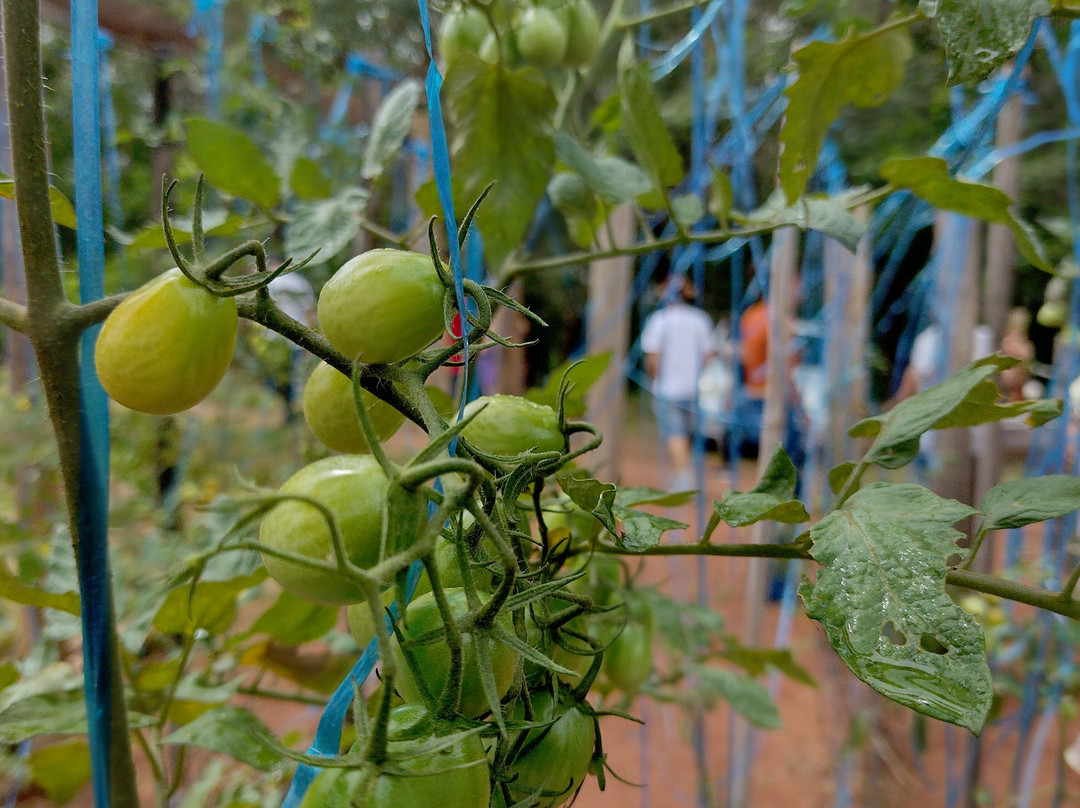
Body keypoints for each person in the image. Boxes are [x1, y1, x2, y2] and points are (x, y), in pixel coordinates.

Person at [640, 274, 715, 489]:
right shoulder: (700, 319)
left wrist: (653, 379)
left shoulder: (659, 320)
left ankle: (684, 477)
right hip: (693, 387)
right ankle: (683, 474)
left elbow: (653, 358)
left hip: (667, 387)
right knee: (687, 434)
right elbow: (707, 355)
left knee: (674, 433)